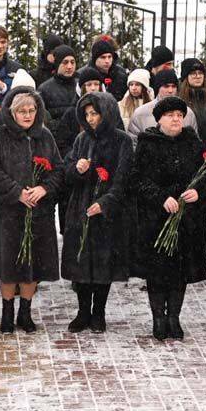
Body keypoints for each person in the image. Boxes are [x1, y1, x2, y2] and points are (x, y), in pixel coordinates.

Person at [0, 86, 63, 334]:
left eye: (32, 110)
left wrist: (44, 189)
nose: (27, 115)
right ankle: (7, 311)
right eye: (22, 111)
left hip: (38, 212)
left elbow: (58, 169)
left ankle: (25, 312)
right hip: (6, 212)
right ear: (11, 112)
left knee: (33, 263)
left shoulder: (45, 136)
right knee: (8, 263)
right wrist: (16, 192)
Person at [128, 97, 206, 341]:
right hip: (156, 219)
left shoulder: (192, 143)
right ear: (159, 119)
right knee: (157, 272)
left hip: (186, 219)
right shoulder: (147, 142)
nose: (176, 119)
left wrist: (198, 191)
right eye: (170, 115)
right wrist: (161, 197)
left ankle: (174, 317)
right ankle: (158, 319)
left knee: (179, 272)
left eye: (179, 115)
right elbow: (137, 179)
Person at [60, 92, 134, 333]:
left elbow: (123, 178)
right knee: (81, 261)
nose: (91, 119)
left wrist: (106, 202)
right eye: (87, 114)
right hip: (80, 208)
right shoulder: (82, 139)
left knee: (103, 264)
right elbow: (66, 172)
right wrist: (77, 169)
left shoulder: (121, 141)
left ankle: (98, 312)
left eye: (95, 113)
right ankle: (82, 311)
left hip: (107, 213)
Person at [127, 69, 198, 140]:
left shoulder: (188, 113)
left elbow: (194, 143)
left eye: (173, 86)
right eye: (166, 86)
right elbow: (133, 144)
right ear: (158, 88)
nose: (170, 90)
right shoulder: (140, 113)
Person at [38, 45, 78, 128]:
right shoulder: (44, 89)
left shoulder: (80, 84)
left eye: (72, 62)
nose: (69, 66)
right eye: (65, 62)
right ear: (57, 64)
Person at [178, 58, 206, 140]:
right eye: (193, 73)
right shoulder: (179, 98)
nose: (198, 76)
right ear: (186, 77)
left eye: (200, 73)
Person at [88, 35, 130, 101]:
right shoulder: (84, 74)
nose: (107, 61)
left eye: (109, 56)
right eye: (103, 57)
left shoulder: (122, 75)